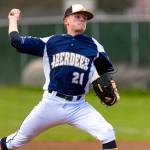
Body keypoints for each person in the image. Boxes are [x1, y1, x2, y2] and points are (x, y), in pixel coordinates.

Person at [0, 4, 119, 150]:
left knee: (107, 132)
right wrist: (13, 19)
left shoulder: (94, 46)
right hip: (51, 103)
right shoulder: (51, 42)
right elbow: (17, 42)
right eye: (77, 16)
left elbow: (104, 71)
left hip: (78, 106)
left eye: (85, 18)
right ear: (66, 20)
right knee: (15, 142)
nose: (82, 19)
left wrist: (111, 87)